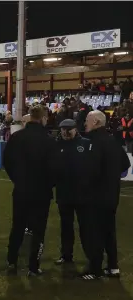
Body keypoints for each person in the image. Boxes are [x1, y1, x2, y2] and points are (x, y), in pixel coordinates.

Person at [3, 105, 55, 276]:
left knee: (17, 227)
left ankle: (11, 261)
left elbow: (7, 162)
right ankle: (34, 266)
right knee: (38, 231)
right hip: (41, 193)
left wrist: (17, 180)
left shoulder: (17, 137)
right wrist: (49, 184)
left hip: (21, 190)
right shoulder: (48, 141)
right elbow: (55, 169)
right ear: (42, 118)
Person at [80, 110, 131, 280]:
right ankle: (113, 266)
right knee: (109, 231)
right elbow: (126, 163)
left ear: (95, 122)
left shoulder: (93, 142)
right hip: (112, 194)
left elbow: (91, 170)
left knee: (94, 231)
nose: (85, 123)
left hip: (96, 195)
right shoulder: (112, 141)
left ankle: (95, 269)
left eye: (87, 120)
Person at [53, 119, 92, 265]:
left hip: (83, 194)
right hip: (64, 194)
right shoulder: (57, 145)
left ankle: (91, 256)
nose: (65, 132)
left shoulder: (86, 144)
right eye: (63, 129)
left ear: (75, 129)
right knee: (66, 226)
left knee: (86, 227)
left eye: (68, 129)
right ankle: (66, 255)